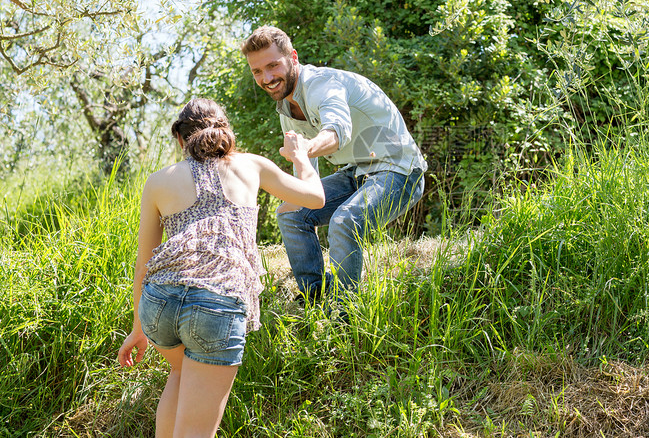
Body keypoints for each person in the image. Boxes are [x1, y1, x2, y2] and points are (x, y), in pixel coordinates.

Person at [117, 98, 324, 438]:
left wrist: (138, 327)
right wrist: (301, 157)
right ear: (225, 132)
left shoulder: (157, 181)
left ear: (181, 139)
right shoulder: (252, 165)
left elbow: (144, 262)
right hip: (217, 304)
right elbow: (315, 198)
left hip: (159, 304)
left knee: (182, 374)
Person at [241, 25, 427, 304]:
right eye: (257, 71)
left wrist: (305, 149)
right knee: (290, 214)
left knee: (344, 221)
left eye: (273, 65)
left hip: (399, 171)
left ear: (292, 57)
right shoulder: (287, 109)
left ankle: (345, 311)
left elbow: (337, 131)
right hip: (357, 173)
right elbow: (306, 178)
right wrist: (297, 195)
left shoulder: (321, 85)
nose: (267, 78)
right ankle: (315, 296)